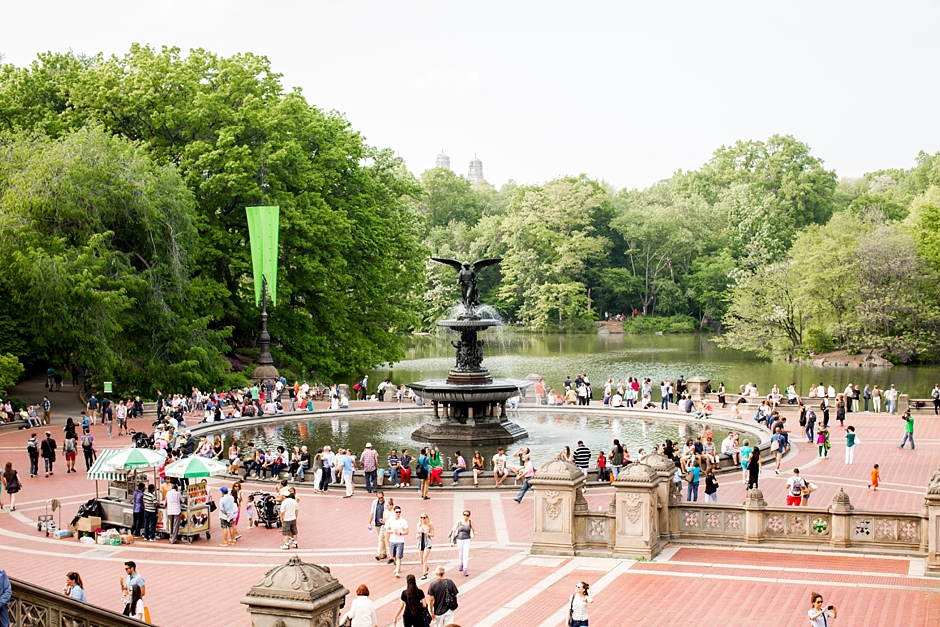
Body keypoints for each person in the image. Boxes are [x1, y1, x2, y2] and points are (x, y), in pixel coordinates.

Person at [451, 509, 476, 577]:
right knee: (460, 553)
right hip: (459, 539)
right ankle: (461, 563)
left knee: (465, 554)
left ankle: (465, 568)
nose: (466, 516)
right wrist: (452, 541)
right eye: (464, 515)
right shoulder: (459, 522)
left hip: (467, 539)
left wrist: (475, 532)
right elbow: (454, 531)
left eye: (467, 515)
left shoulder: (470, 522)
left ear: (469, 516)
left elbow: (474, 529)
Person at [387, 506, 409, 578]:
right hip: (392, 540)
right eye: (397, 512)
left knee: (398, 556)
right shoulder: (390, 520)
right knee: (394, 556)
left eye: (399, 512)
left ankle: (397, 571)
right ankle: (397, 567)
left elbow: (407, 531)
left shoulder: (403, 521)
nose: (398, 513)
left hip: (400, 541)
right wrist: (393, 531)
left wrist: (400, 533)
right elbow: (387, 530)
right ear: (394, 512)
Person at [368, 492, 387, 561]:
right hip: (376, 523)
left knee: (380, 539)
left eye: (381, 497)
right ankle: (384, 552)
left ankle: (379, 553)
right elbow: (372, 512)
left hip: (384, 524)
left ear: (383, 496)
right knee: (381, 538)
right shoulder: (374, 502)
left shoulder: (386, 503)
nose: (380, 499)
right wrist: (369, 522)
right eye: (379, 498)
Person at [416, 512, 434, 579]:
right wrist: (417, 536)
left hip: (427, 543)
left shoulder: (430, 525)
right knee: (421, 559)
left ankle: (424, 574)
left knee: (424, 558)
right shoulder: (418, 525)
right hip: (420, 542)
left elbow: (433, 535)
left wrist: (427, 533)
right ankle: (426, 566)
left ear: (427, 518)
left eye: (424, 517)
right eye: (421, 517)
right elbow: (417, 533)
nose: (422, 519)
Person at [165, 479, 183, 544]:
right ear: (176, 488)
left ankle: (171, 537)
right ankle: (173, 539)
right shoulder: (178, 493)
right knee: (175, 526)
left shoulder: (168, 493)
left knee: (171, 525)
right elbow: (183, 501)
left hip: (169, 511)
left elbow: (165, 502)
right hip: (176, 511)